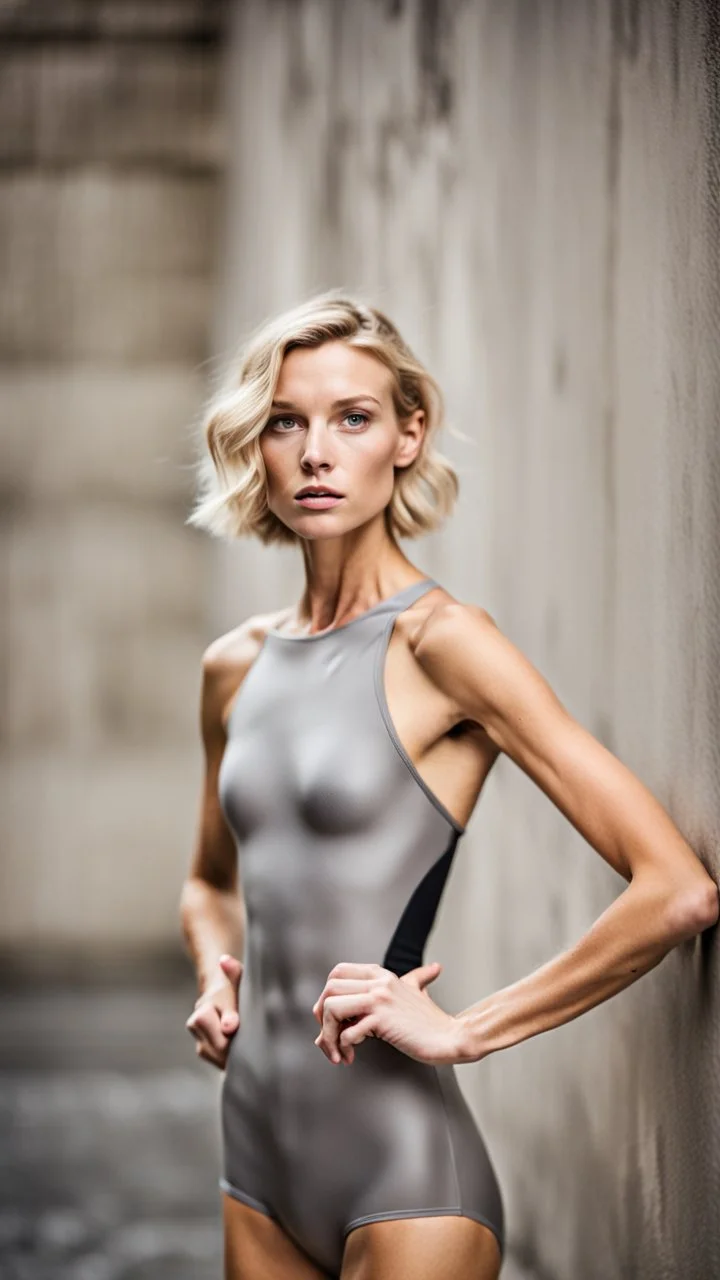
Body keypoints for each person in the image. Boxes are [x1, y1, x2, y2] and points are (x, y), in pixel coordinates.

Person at [179, 291, 718, 1280]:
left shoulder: (446, 644)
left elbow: (677, 885)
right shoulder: (234, 665)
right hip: (252, 1154)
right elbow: (208, 884)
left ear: (407, 434)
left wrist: (469, 1028)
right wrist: (219, 970)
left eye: (353, 417)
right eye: (285, 421)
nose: (316, 452)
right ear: (256, 444)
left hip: (405, 1171)